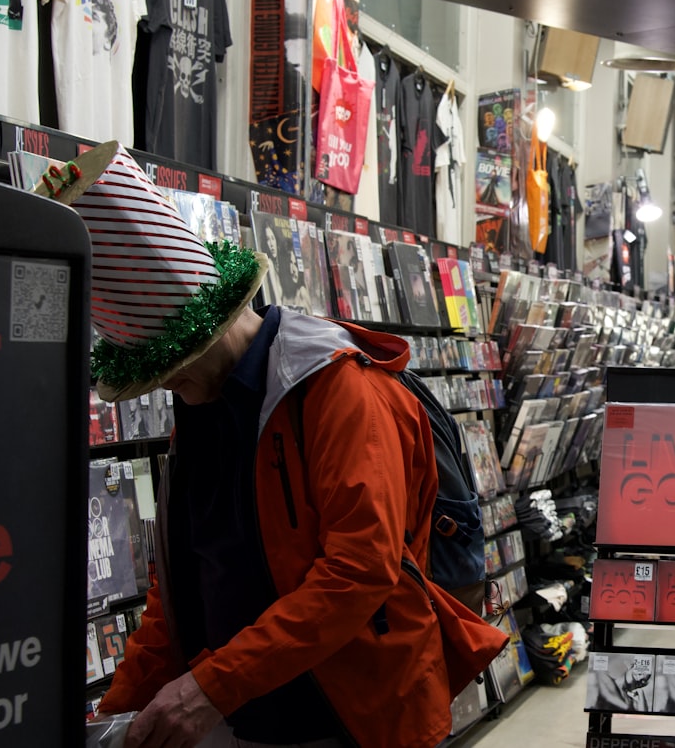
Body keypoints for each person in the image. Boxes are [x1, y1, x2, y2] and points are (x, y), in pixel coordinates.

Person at [37, 146, 504, 748]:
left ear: (216, 325)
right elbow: (176, 593)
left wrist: (210, 688)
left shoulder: (338, 390)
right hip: (247, 721)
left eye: (174, 371)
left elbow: (360, 571)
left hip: (356, 721)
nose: (171, 390)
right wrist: (111, 715)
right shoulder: (200, 407)